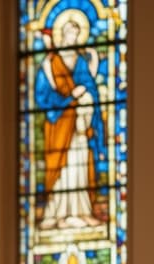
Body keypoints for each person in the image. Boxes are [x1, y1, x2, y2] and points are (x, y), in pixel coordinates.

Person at [34, 9, 105, 229]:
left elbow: (89, 86)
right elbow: (42, 96)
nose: (72, 38)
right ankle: (56, 213)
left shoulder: (81, 61)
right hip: (59, 124)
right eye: (69, 34)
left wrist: (85, 94)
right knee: (61, 168)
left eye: (76, 34)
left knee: (79, 164)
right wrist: (68, 99)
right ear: (62, 35)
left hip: (79, 125)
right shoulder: (50, 64)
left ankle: (81, 211)